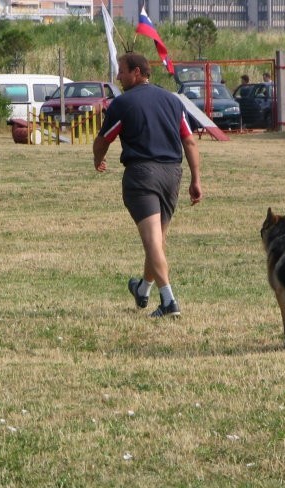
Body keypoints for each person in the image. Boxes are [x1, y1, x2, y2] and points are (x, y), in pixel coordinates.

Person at [92, 53, 203, 318]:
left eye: (122, 71)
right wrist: (196, 179)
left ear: (138, 72)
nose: (118, 76)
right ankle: (143, 289)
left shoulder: (123, 104)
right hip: (171, 175)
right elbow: (189, 141)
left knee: (153, 240)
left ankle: (169, 301)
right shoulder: (173, 101)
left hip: (142, 174)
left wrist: (98, 159)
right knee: (158, 239)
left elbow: (103, 140)